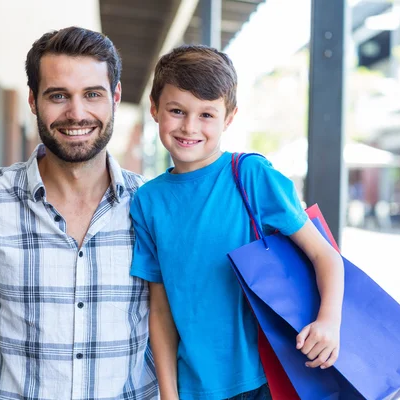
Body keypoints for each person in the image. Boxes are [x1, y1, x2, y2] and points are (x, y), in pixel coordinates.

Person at [0, 27, 158, 400]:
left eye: (92, 94)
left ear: (115, 97)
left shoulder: (154, 207)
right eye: (58, 95)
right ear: (33, 101)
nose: (76, 113)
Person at [130, 45, 345, 400]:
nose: (189, 126)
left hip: (269, 378)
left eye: (206, 115)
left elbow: (326, 256)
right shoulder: (147, 200)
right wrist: (169, 394)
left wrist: (329, 322)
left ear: (229, 118)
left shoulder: (251, 175)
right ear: (155, 109)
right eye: (177, 111)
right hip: (193, 386)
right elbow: (160, 307)